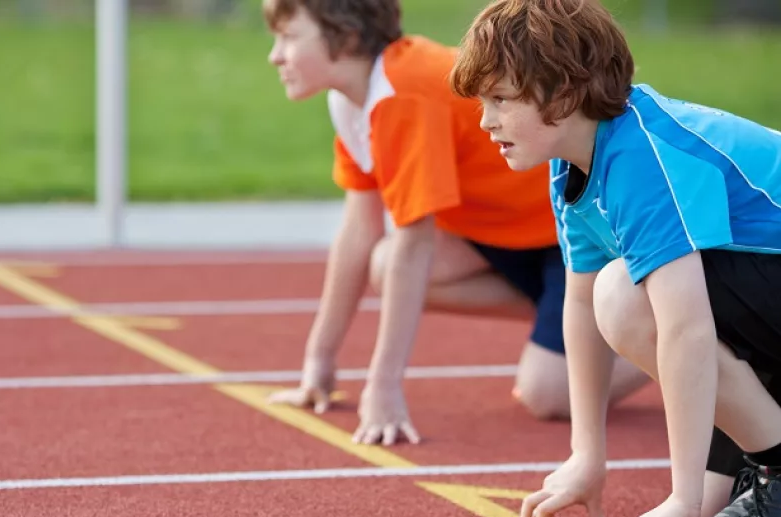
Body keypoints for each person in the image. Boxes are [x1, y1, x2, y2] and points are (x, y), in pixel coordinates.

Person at [450, 0, 781, 517]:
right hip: (761, 287)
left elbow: (685, 326)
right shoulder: (572, 160)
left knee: (625, 295)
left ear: (561, 93)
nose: (485, 121)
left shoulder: (641, 154)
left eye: (500, 99)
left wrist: (679, 496)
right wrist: (587, 456)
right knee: (610, 293)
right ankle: (767, 461)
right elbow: (577, 306)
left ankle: (774, 465)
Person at [261, 0, 648, 446]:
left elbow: (415, 243)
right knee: (383, 265)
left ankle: (669, 339)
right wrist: (319, 362)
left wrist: (383, 386)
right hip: (502, 233)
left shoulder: (403, 91)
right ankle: (562, 313)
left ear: (345, 38)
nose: (275, 54)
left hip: (568, 232)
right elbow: (359, 229)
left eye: (289, 37)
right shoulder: (351, 101)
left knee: (548, 395)